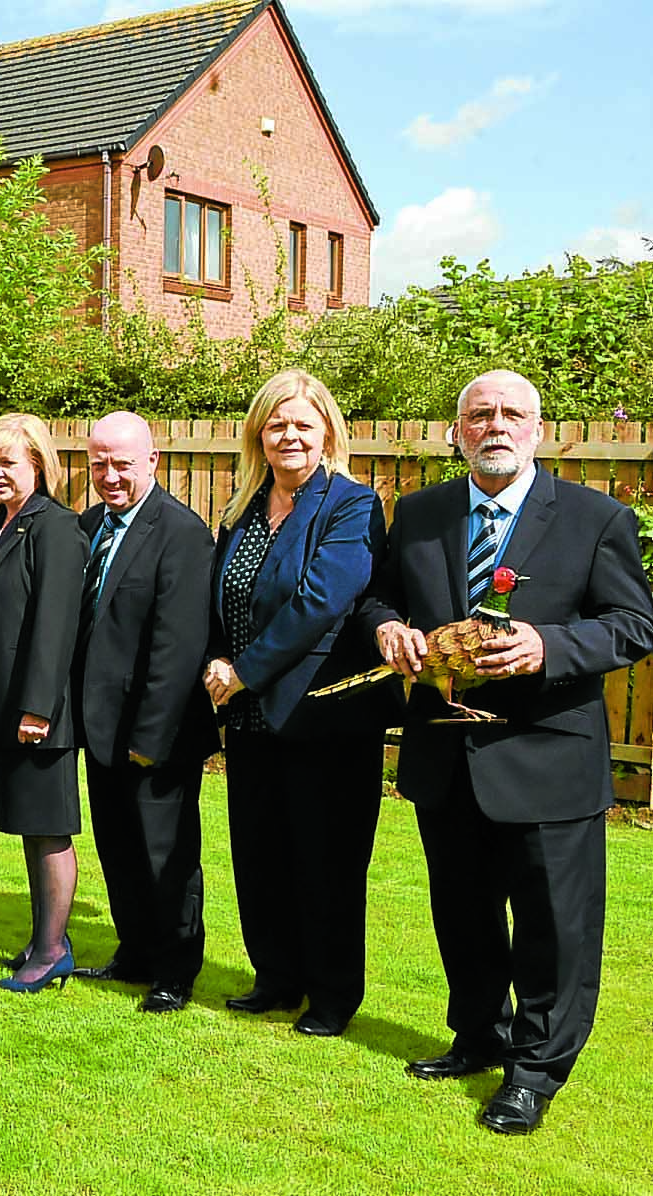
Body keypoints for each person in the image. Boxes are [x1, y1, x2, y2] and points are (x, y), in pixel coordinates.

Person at [360, 370, 653, 1135]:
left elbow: (631, 624)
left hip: (547, 755)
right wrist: (385, 628)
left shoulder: (595, 518)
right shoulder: (420, 514)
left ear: (537, 428)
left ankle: (533, 1072)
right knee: (462, 915)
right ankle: (477, 1037)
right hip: (444, 754)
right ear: (456, 430)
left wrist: (546, 644)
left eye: (510, 414)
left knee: (554, 928)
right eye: (478, 414)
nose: (494, 425)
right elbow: (378, 597)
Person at [202, 368, 389, 1037]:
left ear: (326, 433)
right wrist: (219, 665)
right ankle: (275, 978)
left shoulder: (350, 504)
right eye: (276, 424)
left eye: (302, 425)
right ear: (258, 434)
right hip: (250, 715)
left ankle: (332, 996)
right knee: (260, 852)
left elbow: (322, 600)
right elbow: (223, 598)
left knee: (325, 859)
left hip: (322, 713)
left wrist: (244, 670)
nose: (288, 436)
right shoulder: (243, 508)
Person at [69, 412, 219, 1013]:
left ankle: (176, 970)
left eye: (121, 463)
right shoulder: (89, 527)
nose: (109, 475)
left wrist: (149, 738)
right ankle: (134, 952)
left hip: (158, 731)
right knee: (119, 848)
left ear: (152, 461)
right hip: (100, 726)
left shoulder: (181, 533)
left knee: (167, 856)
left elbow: (177, 646)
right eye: (99, 463)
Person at [0, 414, 86, 991]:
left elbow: (55, 625)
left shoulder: (54, 526)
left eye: (9, 462)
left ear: (38, 464)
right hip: (6, 707)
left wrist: (37, 708)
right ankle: (42, 937)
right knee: (30, 824)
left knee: (49, 827)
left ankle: (52, 949)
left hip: (38, 713)